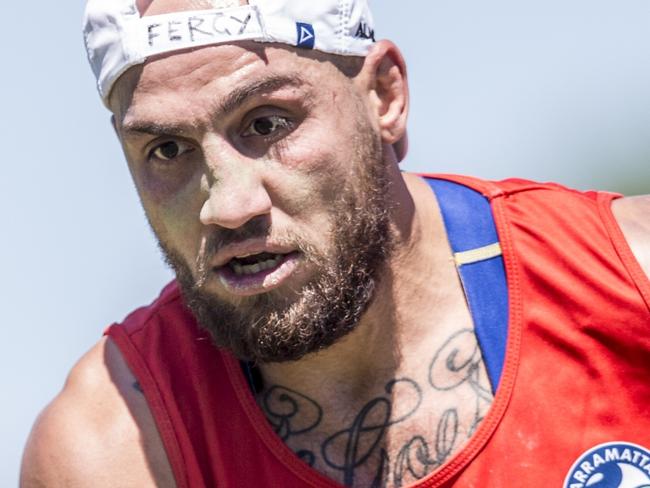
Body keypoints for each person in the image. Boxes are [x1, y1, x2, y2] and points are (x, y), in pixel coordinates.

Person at [21, 0, 650, 486]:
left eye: (267, 123)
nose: (228, 205)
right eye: (167, 151)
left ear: (385, 97)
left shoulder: (625, 279)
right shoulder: (116, 449)